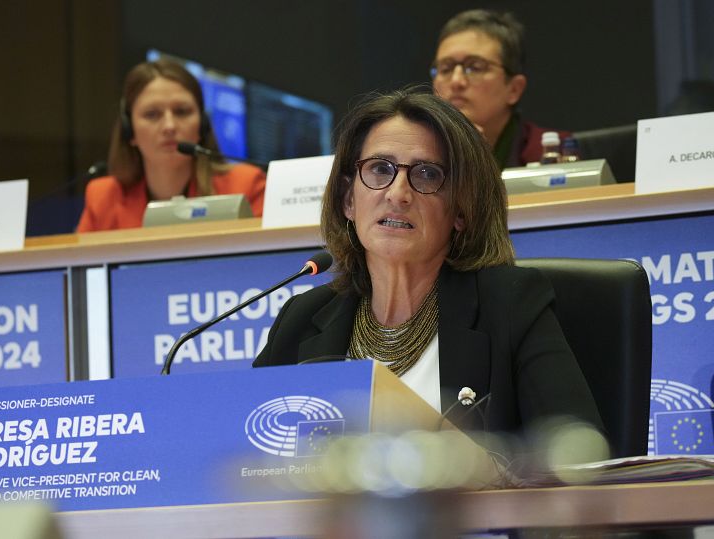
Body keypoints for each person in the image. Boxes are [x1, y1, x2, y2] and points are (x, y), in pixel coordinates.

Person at [253, 89, 603, 435]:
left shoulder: (510, 305)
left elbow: (577, 449)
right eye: (379, 169)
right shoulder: (301, 319)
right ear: (348, 200)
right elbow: (247, 447)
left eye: (426, 174)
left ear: (461, 210)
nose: (397, 193)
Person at [77, 59, 266, 232]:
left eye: (182, 112)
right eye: (152, 114)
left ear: (202, 125)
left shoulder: (247, 185)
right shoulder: (103, 197)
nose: (169, 126)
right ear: (129, 131)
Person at [431, 9, 569, 169]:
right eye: (446, 69)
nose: (456, 81)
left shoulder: (551, 153)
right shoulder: (418, 154)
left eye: (475, 67)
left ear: (514, 89)